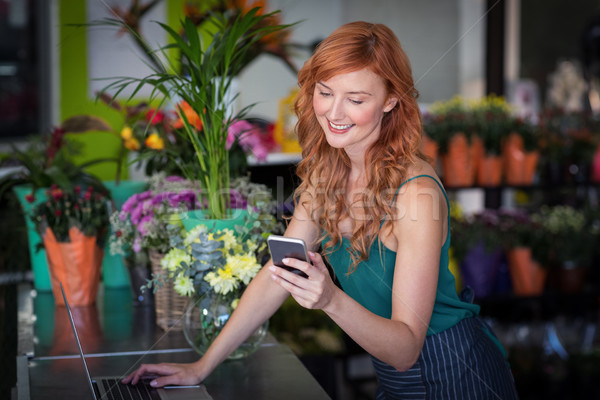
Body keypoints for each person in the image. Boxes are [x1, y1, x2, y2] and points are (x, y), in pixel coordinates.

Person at [123, 21, 519, 399]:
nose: (334, 112)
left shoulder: (416, 194)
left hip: (456, 372)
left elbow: (405, 350)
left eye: (357, 99)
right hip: (395, 380)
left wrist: (329, 299)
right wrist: (201, 366)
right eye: (325, 91)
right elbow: (277, 274)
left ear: (392, 100)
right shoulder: (328, 172)